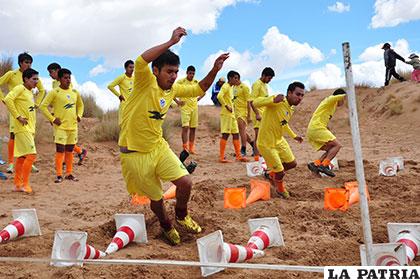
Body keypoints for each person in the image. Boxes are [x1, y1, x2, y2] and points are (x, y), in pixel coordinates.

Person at [118, 27, 229, 245]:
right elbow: (141, 60)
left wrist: (215, 69)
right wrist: (170, 42)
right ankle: (166, 225)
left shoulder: (174, 90)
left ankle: (181, 214)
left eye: (176, 72)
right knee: (157, 199)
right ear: (156, 71)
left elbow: (200, 88)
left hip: (158, 147)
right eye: (169, 71)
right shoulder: (144, 82)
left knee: (185, 182)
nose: (174, 76)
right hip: (134, 155)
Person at [252, 81, 305, 198]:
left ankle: (271, 174)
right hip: (266, 143)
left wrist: (294, 136)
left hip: (279, 141)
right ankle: (280, 190)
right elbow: (255, 102)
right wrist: (272, 100)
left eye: (302, 95)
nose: (300, 98)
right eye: (298, 94)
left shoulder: (290, 109)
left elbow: (284, 123)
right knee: (280, 172)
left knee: (292, 164)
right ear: (289, 93)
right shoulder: (277, 101)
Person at [0, 52, 45, 173]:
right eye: (26, 62)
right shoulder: (12, 74)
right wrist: (3, 98)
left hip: (28, 112)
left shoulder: (32, 75)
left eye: (30, 63)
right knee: (13, 135)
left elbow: (42, 90)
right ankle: (10, 163)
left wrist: (36, 104)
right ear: (20, 63)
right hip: (15, 111)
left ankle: (29, 162)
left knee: (29, 135)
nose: (29, 65)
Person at [40, 68, 84, 183]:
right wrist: (53, 119)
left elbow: (81, 105)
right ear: (59, 79)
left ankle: (69, 173)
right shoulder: (55, 92)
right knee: (60, 150)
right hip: (60, 128)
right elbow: (43, 106)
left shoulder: (75, 92)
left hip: (73, 127)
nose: (68, 80)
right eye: (65, 78)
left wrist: (79, 115)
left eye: (69, 77)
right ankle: (59, 175)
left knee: (69, 151)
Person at [4, 68, 40, 193]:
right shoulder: (20, 88)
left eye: (37, 79)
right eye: (34, 79)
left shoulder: (30, 92)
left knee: (21, 157)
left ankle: (18, 185)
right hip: (22, 128)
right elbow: (8, 99)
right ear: (25, 79)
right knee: (31, 155)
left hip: (29, 129)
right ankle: (25, 184)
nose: (37, 81)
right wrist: (18, 116)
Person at [47, 63, 88, 165]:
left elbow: (71, 101)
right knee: (60, 139)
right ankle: (79, 152)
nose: (50, 75)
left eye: (51, 72)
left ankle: (77, 153)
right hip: (58, 115)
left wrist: (78, 115)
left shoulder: (67, 84)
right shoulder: (54, 84)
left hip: (68, 117)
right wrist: (52, 116)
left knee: (63, 140)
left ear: (57, 71)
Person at [306, 89, 346, 177]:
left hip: (314, 129)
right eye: (343, 100)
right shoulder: (330, 99)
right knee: (337, 145)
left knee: (331, 149)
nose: (343, 102)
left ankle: (316, 164)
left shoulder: (332, 106)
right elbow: (338, 96)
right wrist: (349, 93)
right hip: (316, 128)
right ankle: (324, 165)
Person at [217, 71, 249, 163]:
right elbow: (219, 96)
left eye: (237, 78)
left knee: (236, 134)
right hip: (226, 114)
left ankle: (239, 156)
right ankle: (222, 157)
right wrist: (226, 106)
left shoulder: (231, 88)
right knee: (226, 134)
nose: (236, 80)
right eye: (235, 78)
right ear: (230, 78)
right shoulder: (225, 86)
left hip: (232, 115)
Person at [173, 65, 201, 153]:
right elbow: (172, 91)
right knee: (185, 127)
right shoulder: (181, 82)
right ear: (187, 73)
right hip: (185, 107)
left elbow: (203, 91)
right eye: (190, 73)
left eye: (193, 73)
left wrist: (198, 99)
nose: (191, 75)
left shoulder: (196, 81)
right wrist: (177, 102)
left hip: (194, 107)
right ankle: (185, 148)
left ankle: (191, 148)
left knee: (193, 128)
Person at [250, 67, 275, 161]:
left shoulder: (265, 85)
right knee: (258, 137)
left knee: (264, 137)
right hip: (258, 114)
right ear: (263, 75)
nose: (270, 80)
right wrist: (257, 114)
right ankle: (257, 159)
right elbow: (251, 101)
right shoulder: (257, 84)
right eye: (269, 78)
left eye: (271, 79)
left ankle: (262, 157)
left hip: (264, 114)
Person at [232, 78, 254, 156]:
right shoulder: (234, 87)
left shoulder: (244, 87)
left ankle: (243, 150)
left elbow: (249, 102)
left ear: (236, 78)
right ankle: (253, 145)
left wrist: (249, 115)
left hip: (243, 112)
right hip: (236, 112)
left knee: (242, 131)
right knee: (242, 131)